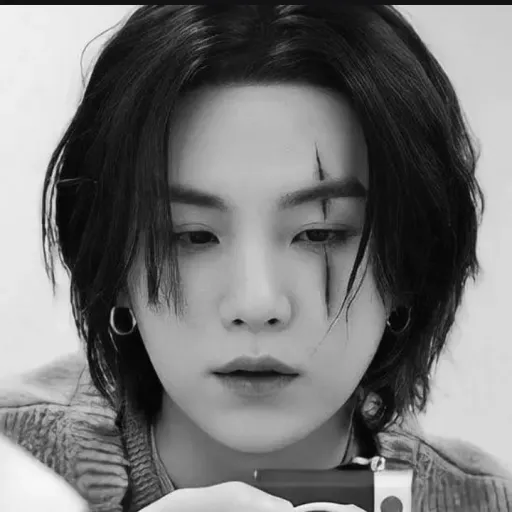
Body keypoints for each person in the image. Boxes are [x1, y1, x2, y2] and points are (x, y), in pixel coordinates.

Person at [0, 5, 511, 512]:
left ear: (408, 265)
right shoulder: (16, 468)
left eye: (319, 233)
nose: (256, 303)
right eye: (193, 236)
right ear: (113, 267)